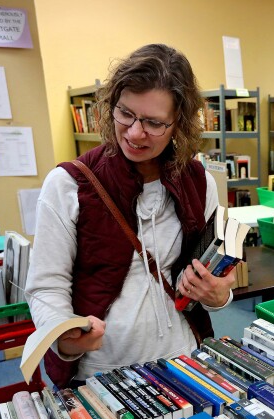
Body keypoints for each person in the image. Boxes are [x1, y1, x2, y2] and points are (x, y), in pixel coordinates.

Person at [26, 44, 234, 387]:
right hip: (102, 374)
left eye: (154, 122)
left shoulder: (200, 183)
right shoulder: (67, 185)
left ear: (178, 125)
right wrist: (63, 337)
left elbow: (214, 273)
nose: (135, 133)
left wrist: (219, 296)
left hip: (183, 361)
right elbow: (46, 286)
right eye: (125, 114)